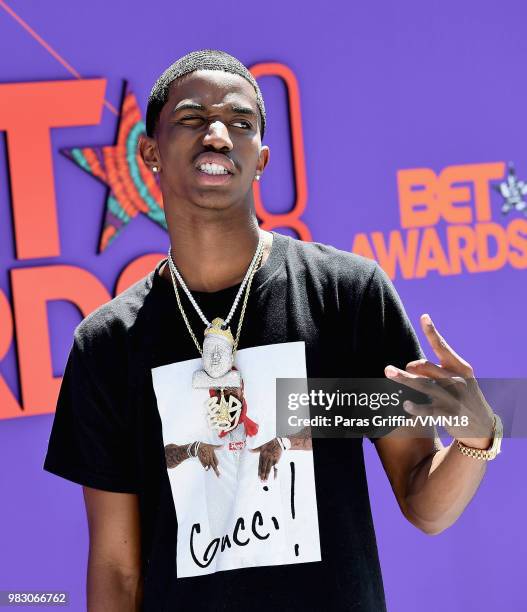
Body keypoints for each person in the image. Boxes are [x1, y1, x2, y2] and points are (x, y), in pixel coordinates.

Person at [44, 49, 502, 612]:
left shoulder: (346, 295)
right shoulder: (108, 344)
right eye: (191, 119)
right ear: (150, 153)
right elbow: (117, 572)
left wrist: (477, 437)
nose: (217, 135)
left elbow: (424, 502)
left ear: (260, 159)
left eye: (240, 123)